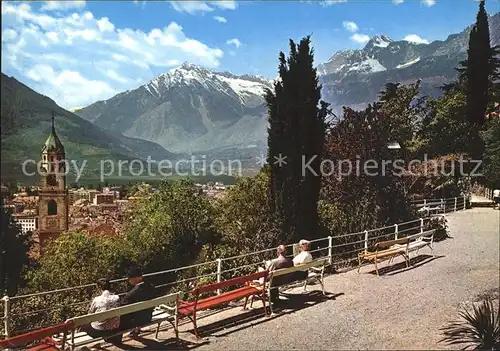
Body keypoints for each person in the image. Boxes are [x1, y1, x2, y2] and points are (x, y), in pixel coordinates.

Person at [119, 265, 157, 338]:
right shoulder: (151, 287)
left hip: (135, 321)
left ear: (134, 279)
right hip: (148, 317)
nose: (128, 280)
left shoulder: (132, 294)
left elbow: (122, 304)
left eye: (129, 278)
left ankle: (116, 339)